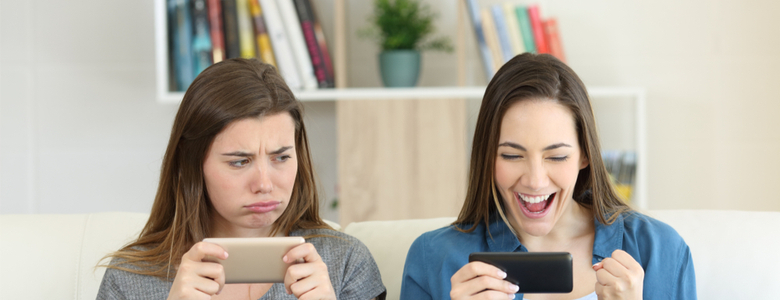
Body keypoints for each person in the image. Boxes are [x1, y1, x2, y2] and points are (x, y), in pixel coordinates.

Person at [400, 53, 696, 300]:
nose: (535, 180)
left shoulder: (661, 251)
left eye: (556, 156)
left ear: (584, 155)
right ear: (487, 156)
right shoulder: (432, 259)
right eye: (512, 155)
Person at [97, 58, 386, 300]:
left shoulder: (346, 263)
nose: (264, 184)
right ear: (192, 163)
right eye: (239, 161)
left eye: (281, 157)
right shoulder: (129, 280)